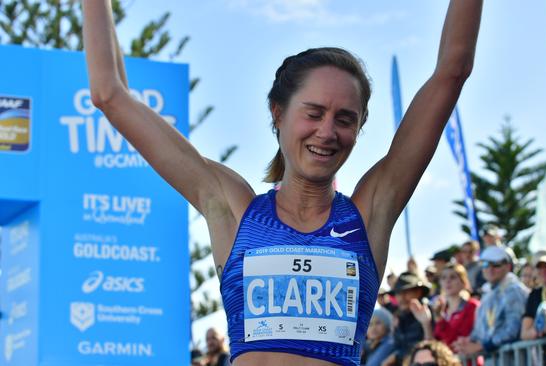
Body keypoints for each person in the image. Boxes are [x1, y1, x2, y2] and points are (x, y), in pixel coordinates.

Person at [82, 0, 482, 364]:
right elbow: (109, 94)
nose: (327, 132)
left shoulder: (369, 214)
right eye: (314, 113)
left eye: (345, 119)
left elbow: (452, 71)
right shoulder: (233, 208)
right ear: (278, 113)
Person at [453, 246, 529, 360]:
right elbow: (482, 329)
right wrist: (469, 340)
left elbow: (513, 329)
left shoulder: (514, 290)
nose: (490, 269)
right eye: (485, 264)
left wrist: (481, 345)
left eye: (496, 265)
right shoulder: (488, 293)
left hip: (514, 359)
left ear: (508, 266)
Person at [410, 263, 478, 348]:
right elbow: (434, 347)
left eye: (453, 277)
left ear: (463, 282)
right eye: (443, 278)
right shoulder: (442, 310)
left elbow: (455, 343)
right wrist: (426, 323)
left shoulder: (472, 306)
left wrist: (440, 320)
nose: (447, 281)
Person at [383, 272, 432, 366]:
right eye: (398, 293)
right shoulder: (399, 317)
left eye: (406, 292)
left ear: (419, 292)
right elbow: (399, 346)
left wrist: (426, 324)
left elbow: (432, 349)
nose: (401, 297)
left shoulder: (431, 312)